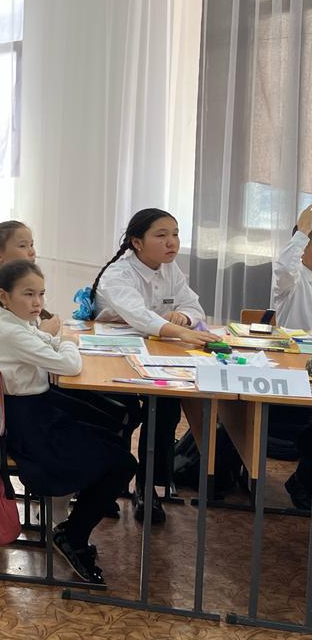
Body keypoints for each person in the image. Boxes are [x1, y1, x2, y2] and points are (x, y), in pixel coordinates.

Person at [0, 259, 136, 585]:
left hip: (36, 410)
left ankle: (80, 513)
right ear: (3, 296)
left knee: (113, 430)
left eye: (41, 294)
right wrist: (70, 343)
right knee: (122, 463)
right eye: (28, 294)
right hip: (31, 427)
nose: (37, 302)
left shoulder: (14, 322)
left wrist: (62, 343)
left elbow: (49, 344)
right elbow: (67, 363)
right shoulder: (10, 331)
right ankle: (72, 535)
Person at [87, 209, 214, 524]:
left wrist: (184, 317)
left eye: (175, 234)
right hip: (110, 358)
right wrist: (181, 331)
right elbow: (139, 315)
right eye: (161, 235)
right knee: (121, 412)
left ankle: (148, 487)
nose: (172, 242)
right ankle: (102, 486)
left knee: (167, 407)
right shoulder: (118, 273)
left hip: (151, 354)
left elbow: (194, 306)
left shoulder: (170, 269)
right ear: (137, 242)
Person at [272, 205, 312, 508]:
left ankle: (303, 479)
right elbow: (285, 267)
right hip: (291, 380)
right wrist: (302, 232)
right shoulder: (293, 283)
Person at [0, 222, 60, 339]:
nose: (32, 252)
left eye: (32, 245)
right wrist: (45, 333)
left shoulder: (32, 289)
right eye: (23, 246)